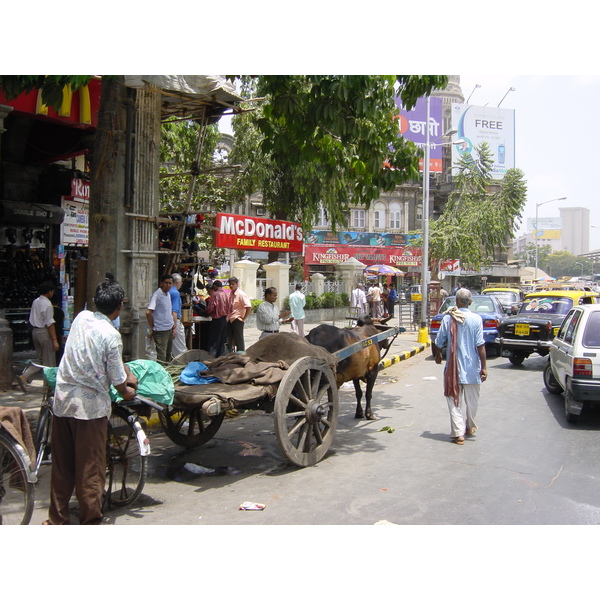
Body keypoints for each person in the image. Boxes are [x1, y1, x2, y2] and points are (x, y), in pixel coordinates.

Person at [44, 279, 138, 525]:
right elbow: (118, 380)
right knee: (90, 467)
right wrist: (128, 389)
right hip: (89, 409)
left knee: (62, 465)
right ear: (118, 307)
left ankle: (56, 519)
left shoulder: (81, 318)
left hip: (63, 401)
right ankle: (90, 520)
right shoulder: (112, 335)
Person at [433, 288, 487, 445]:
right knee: (473, 401)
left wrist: (438, 355)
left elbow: (439, 341)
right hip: (472, 368)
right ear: (470, 302)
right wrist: (484, 367)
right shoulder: (476, 319)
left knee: (453, 400)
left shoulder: (449, 319)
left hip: (453, 367)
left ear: (456, 301)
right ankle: (469, 426)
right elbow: (480, 345)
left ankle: (458, 434)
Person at [18, 281, 59, 392]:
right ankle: (49, 387)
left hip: (35, 332)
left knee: (40, 359)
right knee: (49, 361)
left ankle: (24, 377)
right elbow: (50, 323)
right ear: (49, 292)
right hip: (44, 332)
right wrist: (55, 340)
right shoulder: (47, 305)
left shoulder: (36, 302)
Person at [146, 274, 176, 364]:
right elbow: (148, 312)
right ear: (161, 283)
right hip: (160, 330)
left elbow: (168, 311)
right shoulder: (157, 295)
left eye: (170, 283)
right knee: (161, 357)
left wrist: (173, 327)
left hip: (168, 328)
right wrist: (151, 328)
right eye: (166, 283)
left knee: (168, 355)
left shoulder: (168, 295)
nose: (168, 285)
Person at [226, 276, 252, 352]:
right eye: (230, 284)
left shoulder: (241, 294)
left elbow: (248, 307)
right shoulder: (230, 294)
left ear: (237, 284)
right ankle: (230, 355)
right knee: (228, 339)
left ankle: (241, 355)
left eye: (233, 284)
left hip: (237, 319)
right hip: (230, 319)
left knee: (239, 339)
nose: (231, 286)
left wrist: (243, 319)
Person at [205, 279, 230, 357]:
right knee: (221, 342)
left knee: (213, 342)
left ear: (215, 286)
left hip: (217, 320)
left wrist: (206, 311)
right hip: (224, 320)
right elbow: (230, 307)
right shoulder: (226, 294)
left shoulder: (215, 294)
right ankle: (220, 359)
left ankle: (211, 359)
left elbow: (210, 308)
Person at [169, 273, 187, 358]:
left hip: (167, 322)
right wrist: (175, 327)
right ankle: (182, 366)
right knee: (180, 348)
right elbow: (174, 311)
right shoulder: (175, 293)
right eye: (181, 283)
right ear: (177, 282)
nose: (181, 284)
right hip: (174, 321)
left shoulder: (166, 291)